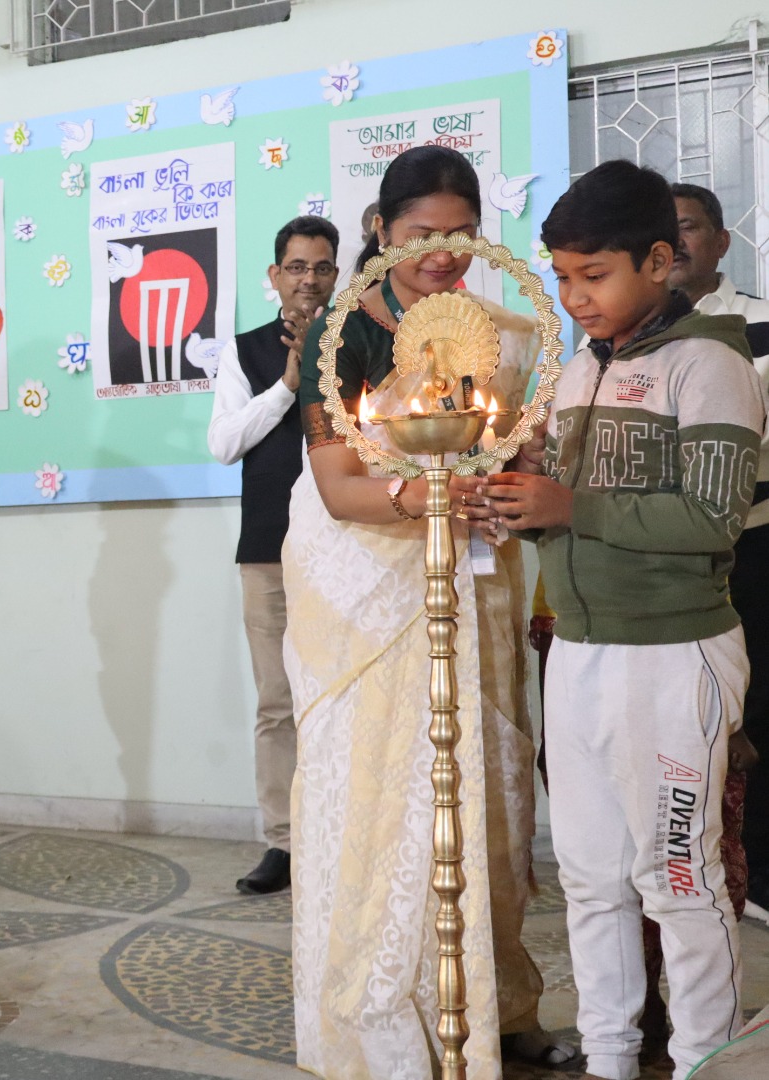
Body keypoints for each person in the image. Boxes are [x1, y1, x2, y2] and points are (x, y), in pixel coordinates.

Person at [469, 160, 768, 1080]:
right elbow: (570, 511)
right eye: (562, 276)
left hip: (675, 651)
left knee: (678, 880)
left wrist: (569, 505)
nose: (574, 297)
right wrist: (519, 503)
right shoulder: (575, 375)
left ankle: (704, 1060)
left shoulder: (711, 365)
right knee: (592, 878)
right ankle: (608, 1058)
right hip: (580, 651)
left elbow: (712, 517)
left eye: (593, 275)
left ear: (659, 261)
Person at [283, 145, 561, 1078]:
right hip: (364, 591)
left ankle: (495, 1007)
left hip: (475, 581)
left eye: (462, 233)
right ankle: (380, 1014)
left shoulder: (507, 335)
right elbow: (338, 488)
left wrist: (511, 485)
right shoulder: (345, 334)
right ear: (380, 229)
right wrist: (431, 498)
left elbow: (522, 457)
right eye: (421, 233)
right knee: (380, 793)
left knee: (490, 790)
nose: (443, 253)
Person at [206, 214, 339, 895]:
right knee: (277, 701)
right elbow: (224, 442)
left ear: (337, 275)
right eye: (296, 267)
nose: (308, 279)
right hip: (267, 546)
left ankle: (342, 834)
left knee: (344, 693)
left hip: (349, 542)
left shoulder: (359, 339)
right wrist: (287, 384)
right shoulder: (245, 350)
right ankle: (284, 843)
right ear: (274, 275)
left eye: (321, 267)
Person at [667, 182, 769, 925]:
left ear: (721, 241)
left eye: (690, 227)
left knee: (756, 709)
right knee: (689, 719)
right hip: (666, 554)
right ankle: (699, 869)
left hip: (753, 542)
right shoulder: (627, 337)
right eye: (663, 230)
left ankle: (758, 871)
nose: (676, 242)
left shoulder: (760, 324)